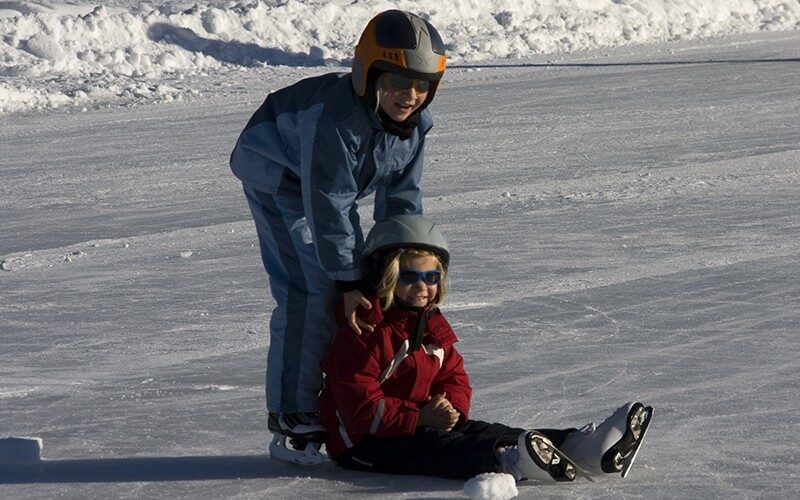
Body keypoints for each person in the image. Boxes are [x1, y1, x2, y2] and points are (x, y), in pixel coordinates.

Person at [228, 10, 447, 465]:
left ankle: (360, 391)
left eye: (421, 85)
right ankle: (292, 412)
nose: (409, 96)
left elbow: (403, 201)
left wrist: (398, 269)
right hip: (279, 173)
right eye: (397, 83)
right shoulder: (335, 121)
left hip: (325, 182)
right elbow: (329, 200)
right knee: (313, 288)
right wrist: (349, 278)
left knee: (375, 286)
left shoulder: (413, 129)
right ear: (369, 77)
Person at [319, 215, 653, 481]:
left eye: (432, 277)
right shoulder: (364, 329)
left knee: (485, 430)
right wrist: (420, 417)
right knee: (440, 447)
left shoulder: (430, 324)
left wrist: (449, 408)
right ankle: (509, 459)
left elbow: (454, 376)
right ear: (385, 275)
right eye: (409, 276)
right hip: (362, 444)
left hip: (416, 421)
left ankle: (577, 447)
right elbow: (359, 408)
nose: (423, 287)